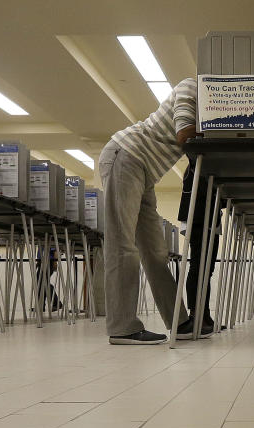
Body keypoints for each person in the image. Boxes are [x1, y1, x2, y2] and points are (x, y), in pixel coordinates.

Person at [100, 79, 202, 345]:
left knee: (155, 251)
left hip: (144, 171)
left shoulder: (206, 102)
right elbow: (185, 134)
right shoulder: (192, 87)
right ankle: (122, 327)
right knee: (122, 244)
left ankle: (179, 323)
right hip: (126, 156)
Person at [178, 162, 223, 336]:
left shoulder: (203, 165)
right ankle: (196, 316)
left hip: (210, 219)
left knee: (207, 270)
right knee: (199, 267)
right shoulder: (197, 164)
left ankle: (204, 315)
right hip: (198, 218)